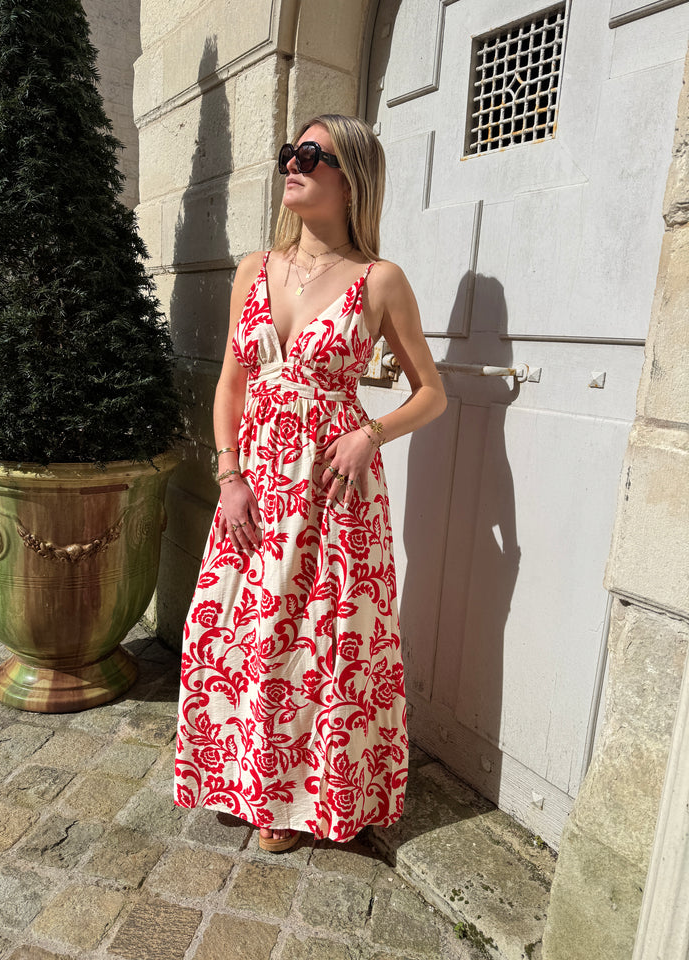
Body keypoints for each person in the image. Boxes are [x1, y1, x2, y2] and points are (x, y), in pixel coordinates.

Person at [174, 114, 446, 851]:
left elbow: (433, 393)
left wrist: (371, 433)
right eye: (289, 153)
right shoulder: (254, 268)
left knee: (323, 641)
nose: (291, 164)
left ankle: (300, 799)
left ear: (351, 179)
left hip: (333, 490)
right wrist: (228, 473)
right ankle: (246, 778)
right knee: (239, 629)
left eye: (310, 155)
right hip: (256, 484)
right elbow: (232, 383)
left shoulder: (379, 280)